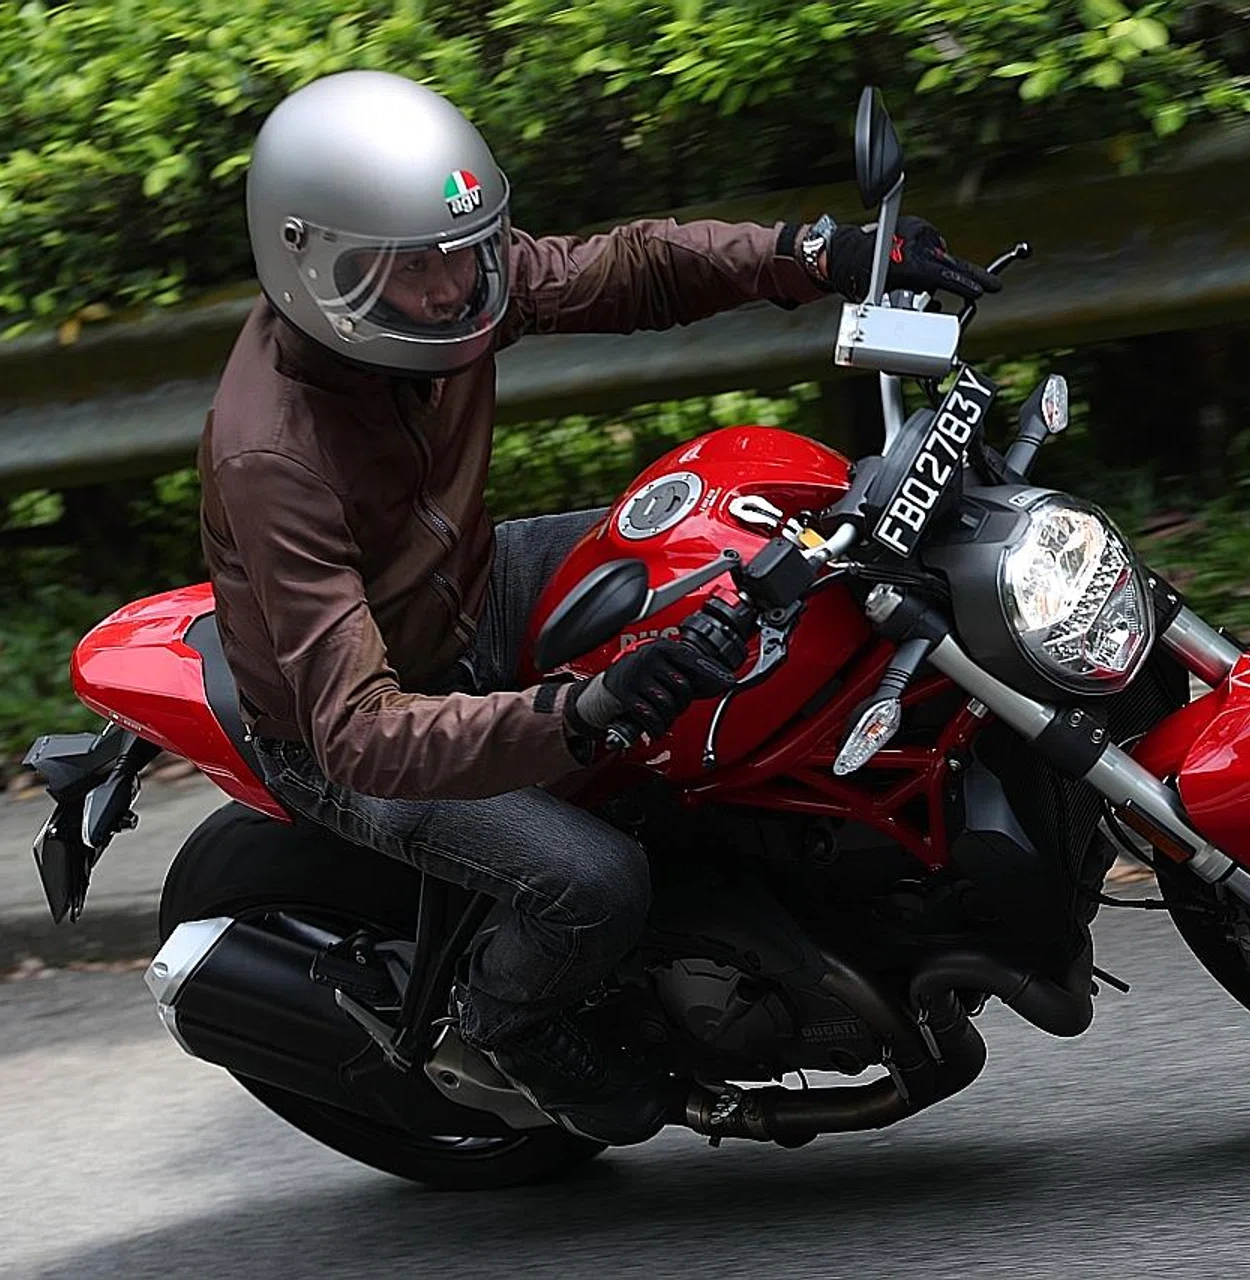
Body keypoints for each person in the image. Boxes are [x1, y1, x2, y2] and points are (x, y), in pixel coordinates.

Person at [198, 69, 998, 1146]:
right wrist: (577, 710)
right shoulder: (273, 455)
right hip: (351, 725)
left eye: (464, 253)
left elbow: (626, 268)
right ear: (312, 265)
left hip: (472, 586)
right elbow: (362, 727)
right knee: (594, 879)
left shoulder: (437, 286)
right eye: (414, 270)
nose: (451, 291)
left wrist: (816, 256)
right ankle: (502, 1024)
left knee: (738, 547)